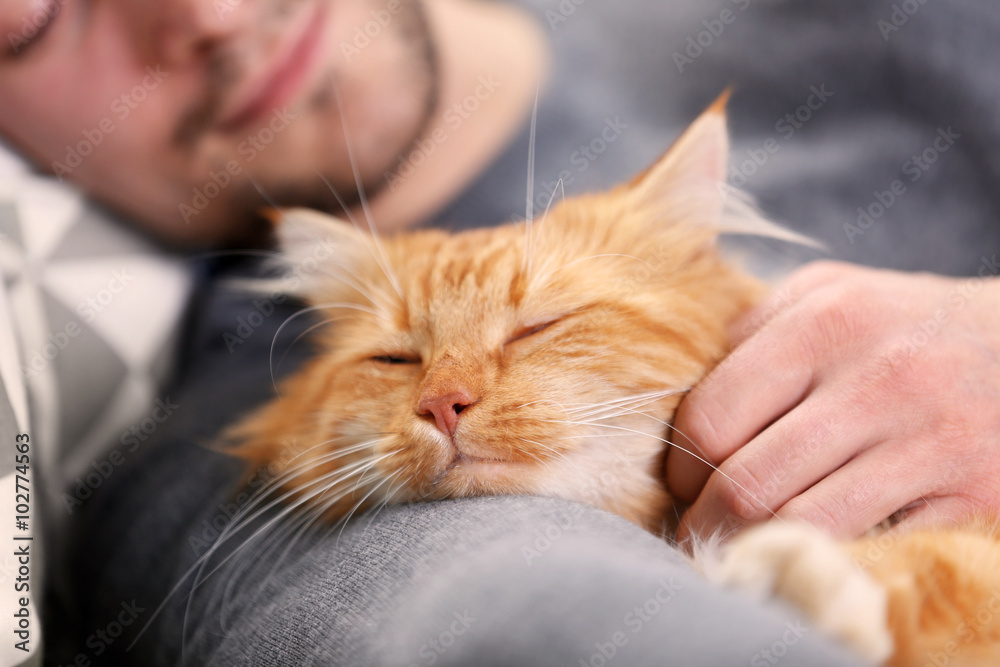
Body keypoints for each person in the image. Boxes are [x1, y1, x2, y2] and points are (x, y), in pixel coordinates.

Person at [1, 0, 998, 664]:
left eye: (544, 328)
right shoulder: (217, 462)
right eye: (37, 15)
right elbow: (524, 614)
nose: (207, 16)